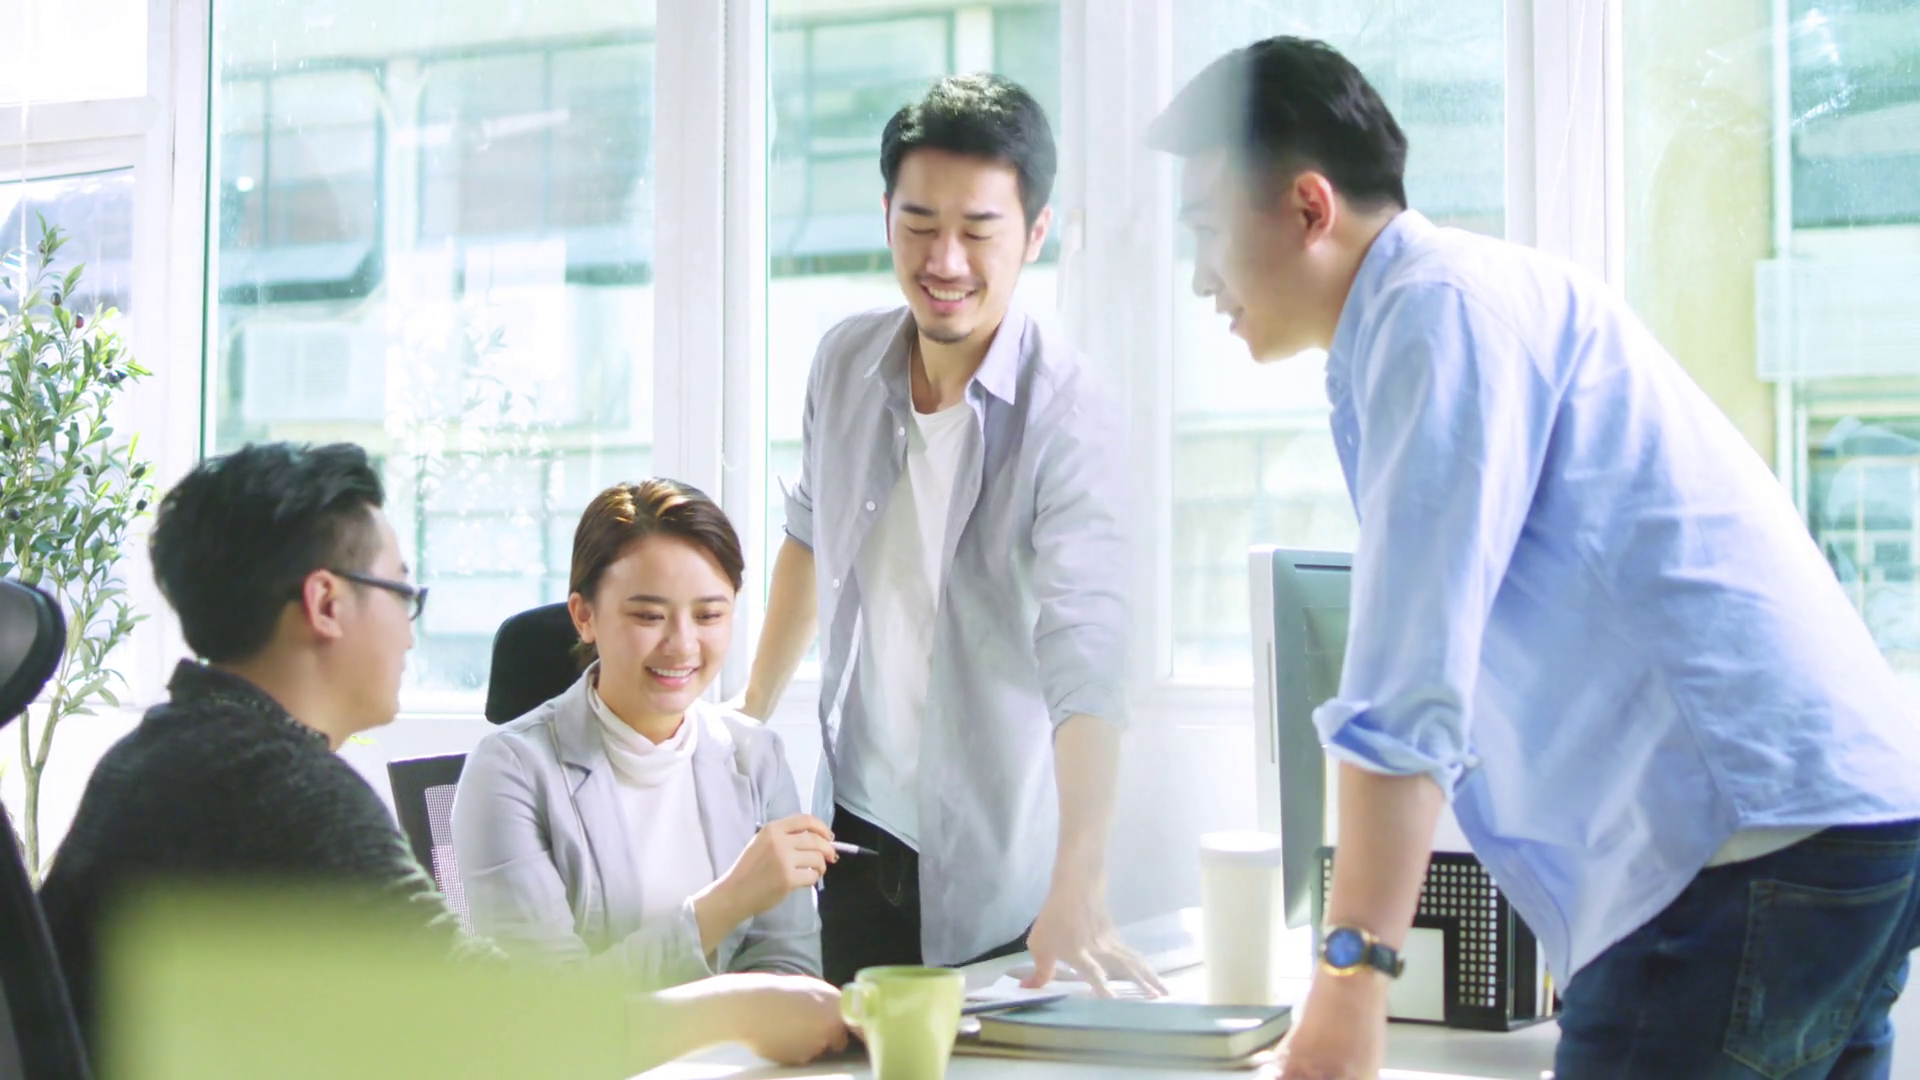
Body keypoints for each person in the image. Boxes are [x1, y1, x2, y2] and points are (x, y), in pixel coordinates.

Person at [1149, 36, 1920, 1080]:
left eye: (1205, 230)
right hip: (1850, 828)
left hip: (1737, 850)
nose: (1200, 277)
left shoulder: (1432, 313)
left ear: (1308, 207)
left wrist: (1349, 982)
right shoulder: (1477, 296)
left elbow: (1407, 687)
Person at [37, 443, 847, 1068]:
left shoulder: (164, 754)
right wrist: (741, 1006)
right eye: (401, 591)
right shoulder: (279, 790)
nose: (409, 630)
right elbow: (506, 1027)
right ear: (326, 603)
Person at [742, 72, 1162, 996]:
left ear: (1035, 234)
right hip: (855, 834)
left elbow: (1089, 657)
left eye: (978, 231)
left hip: (992, 864)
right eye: (920, 224)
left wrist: (1081, 879)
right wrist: (749, 715)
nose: (945, 260)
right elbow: (808, 537)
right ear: (886, 214)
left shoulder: (1072, 416)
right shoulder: (843, 362)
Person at [453, 479, 832, 991]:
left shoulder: (756, 756)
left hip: (745, 1045)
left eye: (709, 615)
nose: (682, 645)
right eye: (650, 616)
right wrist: (726, 903)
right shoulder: (510, 772)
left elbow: (792, 974)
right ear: (584, 616)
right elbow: (550, 1007)